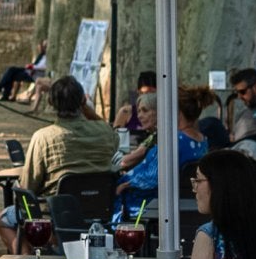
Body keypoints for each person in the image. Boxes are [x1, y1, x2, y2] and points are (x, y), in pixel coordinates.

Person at [111, 88, 207, 221]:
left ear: (174, 110)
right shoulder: (202, 140)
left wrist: (124, 185)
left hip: (146, 202)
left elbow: (154, 178)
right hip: (177, 200)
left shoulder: (171, 141)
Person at [21, 74, 117, 197]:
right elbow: (115, 140)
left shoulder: (42, 138)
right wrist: (91, 113)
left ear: (50, 102)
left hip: (54, 213)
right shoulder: (105, 131)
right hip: (100, 210)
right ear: (83, 101)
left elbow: (28, 187)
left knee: (6, 214)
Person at [112, 70, 157, 134]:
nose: (147, 97)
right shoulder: (126, 112)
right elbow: (114, 138)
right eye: (144, 93)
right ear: (138, 93)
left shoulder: (164, 114)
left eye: (151, 93)